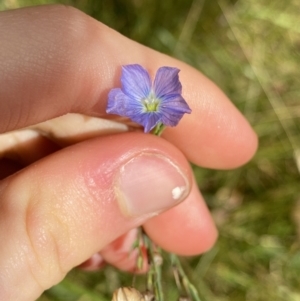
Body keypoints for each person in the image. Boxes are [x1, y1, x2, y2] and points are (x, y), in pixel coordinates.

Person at [0, 4, 258, 301]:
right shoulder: (142, 107)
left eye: (154, 104)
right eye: (149, 104)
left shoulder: (161, 108)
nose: (150, 105)